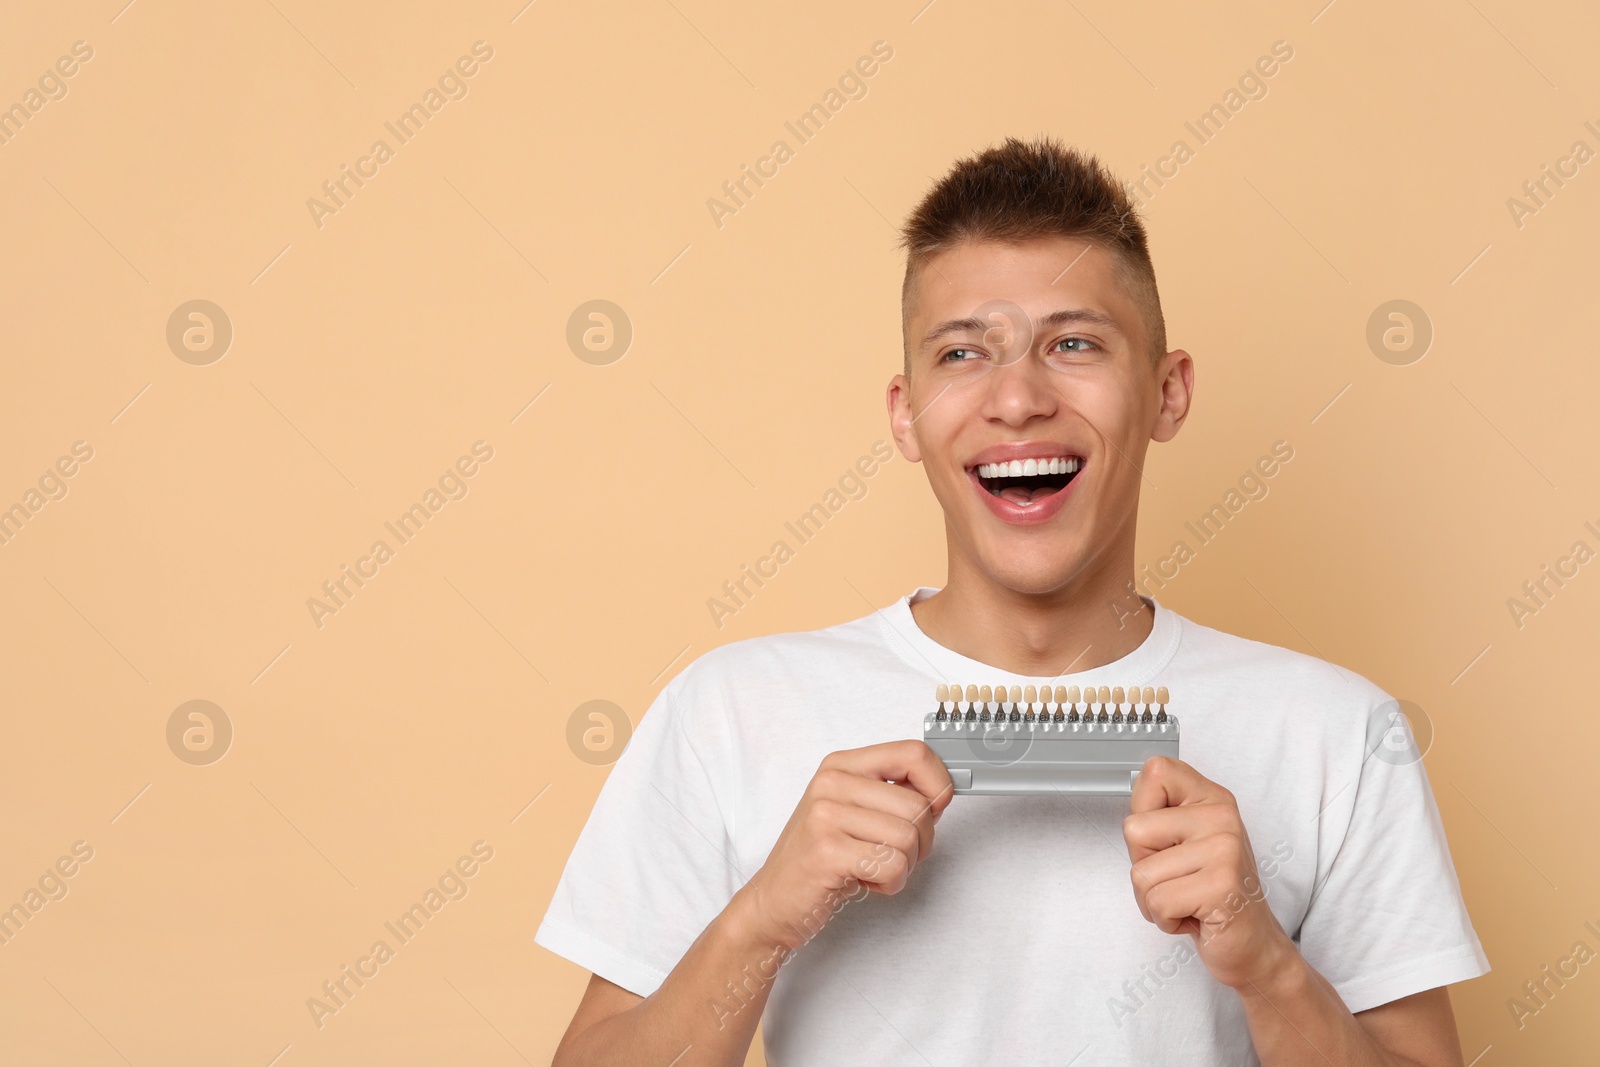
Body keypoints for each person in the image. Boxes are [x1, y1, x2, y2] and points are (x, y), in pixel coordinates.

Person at [536, 136, 1489, 1066]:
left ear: (1167, 392)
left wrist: (1270, 969)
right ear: (905, 413)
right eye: (963, 354)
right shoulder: (728, 711)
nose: (1018, 398)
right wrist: (758, 919)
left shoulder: (1339, 733)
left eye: (1073, 343)